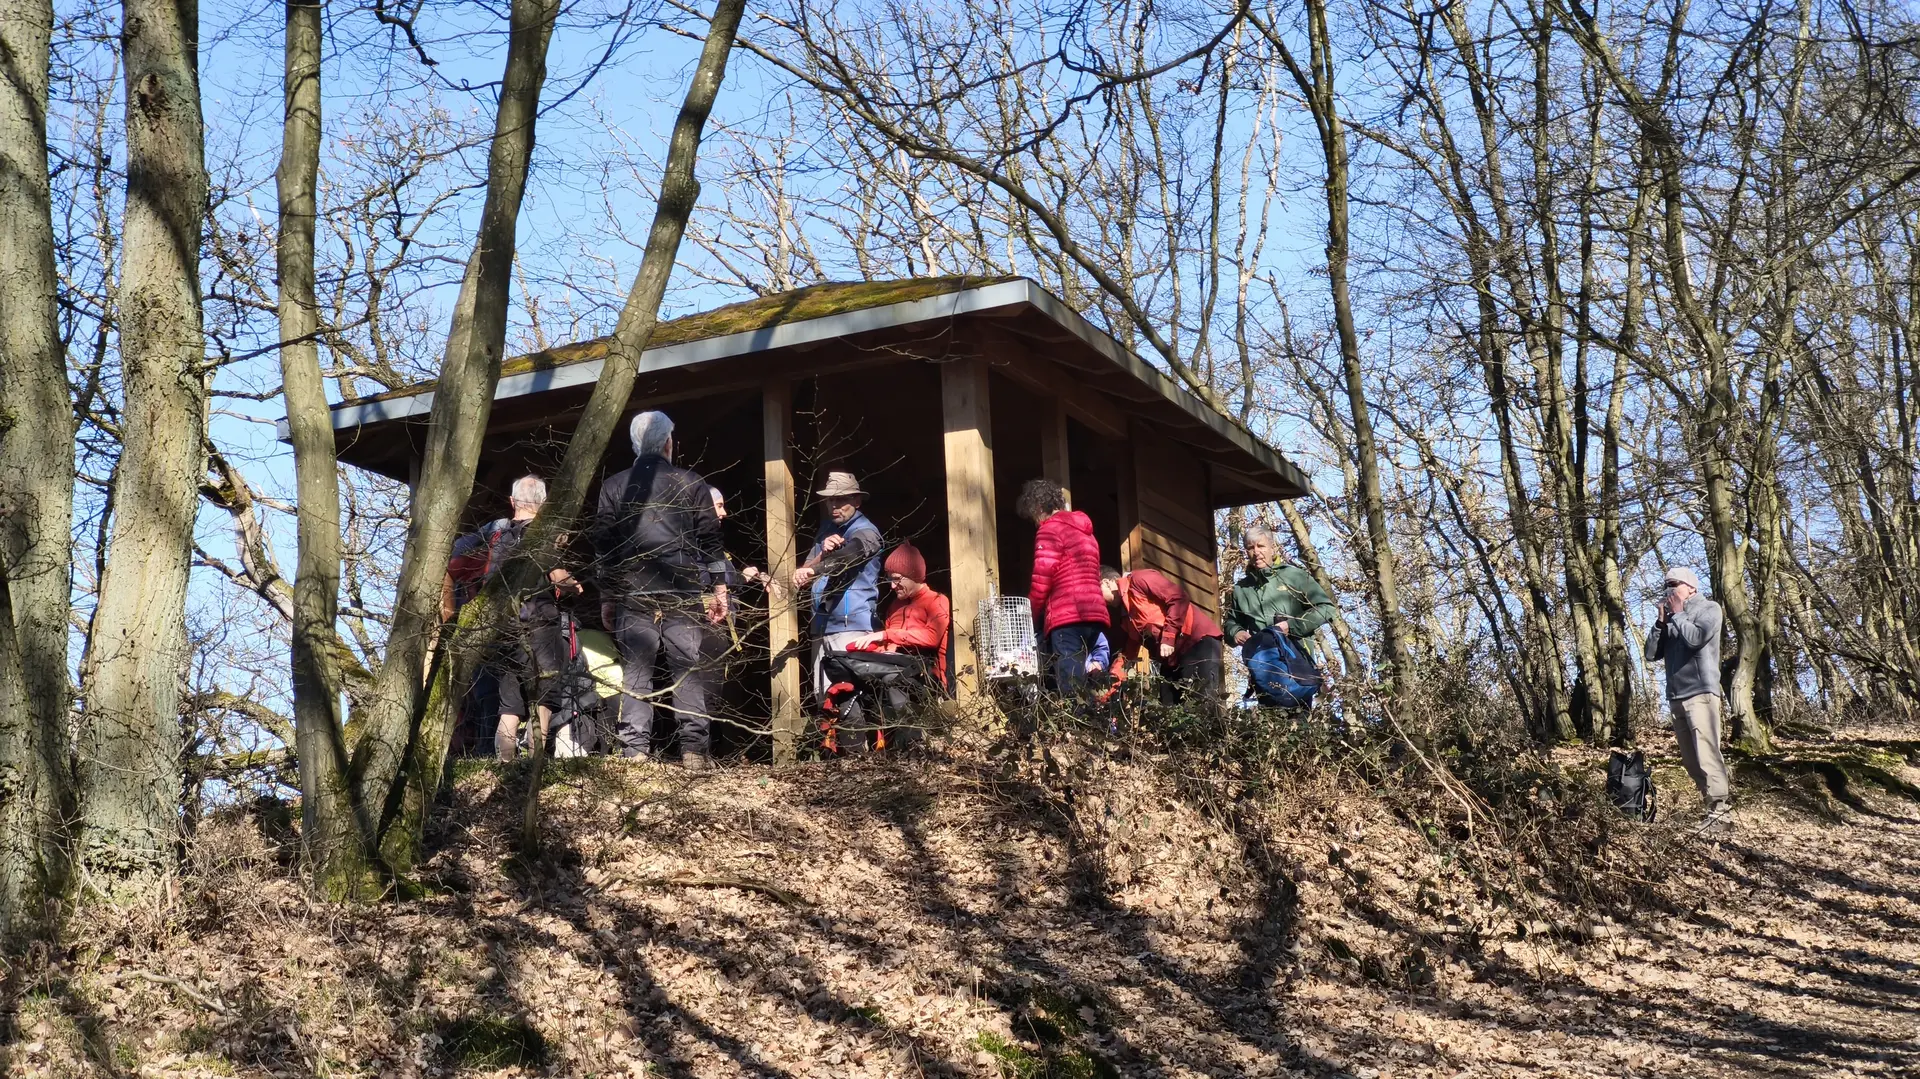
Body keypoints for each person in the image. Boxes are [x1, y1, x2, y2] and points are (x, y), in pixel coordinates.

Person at [593, 411, 730, 770]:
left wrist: (607, 595)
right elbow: (710, 541)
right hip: (681, 593)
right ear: (669, 443)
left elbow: (604, 548)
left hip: (632, 594)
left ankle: (634, 754)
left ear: (635, 444)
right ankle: (694, 752)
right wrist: (719, 589)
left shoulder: (613, 486)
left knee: (636, 674)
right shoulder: (691, 483)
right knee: (687, 671)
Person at [474, 476, 583, 762]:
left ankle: (505, 765)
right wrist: (575, 584)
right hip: (538, 626)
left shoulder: (500, 538)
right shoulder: (541, 537)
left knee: (509, 707)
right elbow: (558, 575)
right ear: (544, 504)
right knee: (542, 700)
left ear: (512, 503)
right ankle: (534, 766)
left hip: (503, 628)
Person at [837, 541, 951, 750]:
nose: (892, 585)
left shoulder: (937, 600)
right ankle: (854, 755)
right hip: (894, 668)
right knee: (847, 684)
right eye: (889, 579)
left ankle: (913, 746)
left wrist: (888, 634)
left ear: (915, 576)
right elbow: (889, 646)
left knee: (893, 679)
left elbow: (931, 637)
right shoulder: (894, 606)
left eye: (897, 579)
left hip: (926, 677)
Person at [1644, 566, 1732, 825]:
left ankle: (1720, 814)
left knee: (1707, 753)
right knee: (1691, 760)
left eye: (1675, 584)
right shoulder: (1671, 617)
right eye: (1666, 585)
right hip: (1676, 695)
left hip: (1701, 692)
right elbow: (1651, 655)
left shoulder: (1709, 609)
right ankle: (1711, 810)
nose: (1670, 590)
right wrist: (1661, 622)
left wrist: (1679, 614)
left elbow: (1696, 638)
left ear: (1691, 587)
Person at [791, 471, 885, 703]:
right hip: (822, 628)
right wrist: (821, 554)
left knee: (849, 699)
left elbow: (850, 554)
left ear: (856, 501)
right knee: (824, 698)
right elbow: (805, 573)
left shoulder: (867, 531)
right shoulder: (826, 530)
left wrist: (818, 567)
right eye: (830, 499)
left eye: (841, 500)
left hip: (852, 628)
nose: (834, 505)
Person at [1226, 525, 1337, 707]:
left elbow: (1326, 608)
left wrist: (1291, 626)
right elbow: (1231, 622)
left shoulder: (1294, 576)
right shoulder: (1241, 589)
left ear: (1272, 547)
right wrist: (1236, 632)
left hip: (1297, 662)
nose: (1256, 552)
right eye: (1250, 548)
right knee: (1271, 725)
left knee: (1298, 723)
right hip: (1262, 665)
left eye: (1261, 546)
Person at [1016, 478, 1109, 695]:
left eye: (1033, 515)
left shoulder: (1050, 530)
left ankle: (1077, 728)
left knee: (1070, 683)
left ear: (1038, 507)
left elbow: (1042, 576)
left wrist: (1031, 614)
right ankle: (1097, 725)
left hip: (1067, 616)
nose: (1035, 522)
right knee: (1088, 681)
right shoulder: (1086, 531)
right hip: (1094, 614)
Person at [1100, 565, 1226, 707]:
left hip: (1197, 641)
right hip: (1172, 658)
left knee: (1202, 702)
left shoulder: (1139, 579)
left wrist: (1168, 636)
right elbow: (1129, 652)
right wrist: (1108, 688)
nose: (1100, 602)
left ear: (1106, 582)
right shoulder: (1126, 617)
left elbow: (1178, 597)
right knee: (1168, 706)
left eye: (1097, 593)